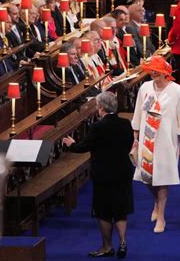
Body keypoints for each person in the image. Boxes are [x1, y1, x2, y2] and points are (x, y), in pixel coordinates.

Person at [62, 92, 134, 259]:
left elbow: (84, 147)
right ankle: (123, 241)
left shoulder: (97, 127)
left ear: (101, 107)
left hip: (103, 174)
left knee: (104, 211)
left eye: (97, 105)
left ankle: (107, 246)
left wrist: (72, 144)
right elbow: (129, 144)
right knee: (120, 210)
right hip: (123, 172)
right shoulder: (125, 124)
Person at [131, 56, 180, 233]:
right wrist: (135, 138)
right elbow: (138, 114)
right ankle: (155, 201)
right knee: (147, 177)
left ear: (165, 72)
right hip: (146, 140)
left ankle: (161, 217)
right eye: (151, 70)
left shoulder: (178, 90)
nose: (153, 73)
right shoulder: (145, 88)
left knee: (162, 178)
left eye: (157, 70)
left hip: (167, 139)